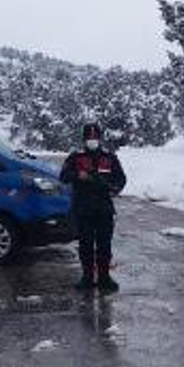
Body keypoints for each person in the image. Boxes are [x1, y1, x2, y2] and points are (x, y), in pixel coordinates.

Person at [59, 123, 127, 293]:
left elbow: (121, 178)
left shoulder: (109, 157)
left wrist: (115, 189)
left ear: (99, 138)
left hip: (104, 209)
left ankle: (104, 278)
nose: (92, 140)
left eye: (95, 137)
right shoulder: (75, 157)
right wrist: (78, 175)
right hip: (83, 209)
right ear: (84, 139)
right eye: (89, 138)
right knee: (86, 246)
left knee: (104, 246)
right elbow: (63, 176)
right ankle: (87, 277)